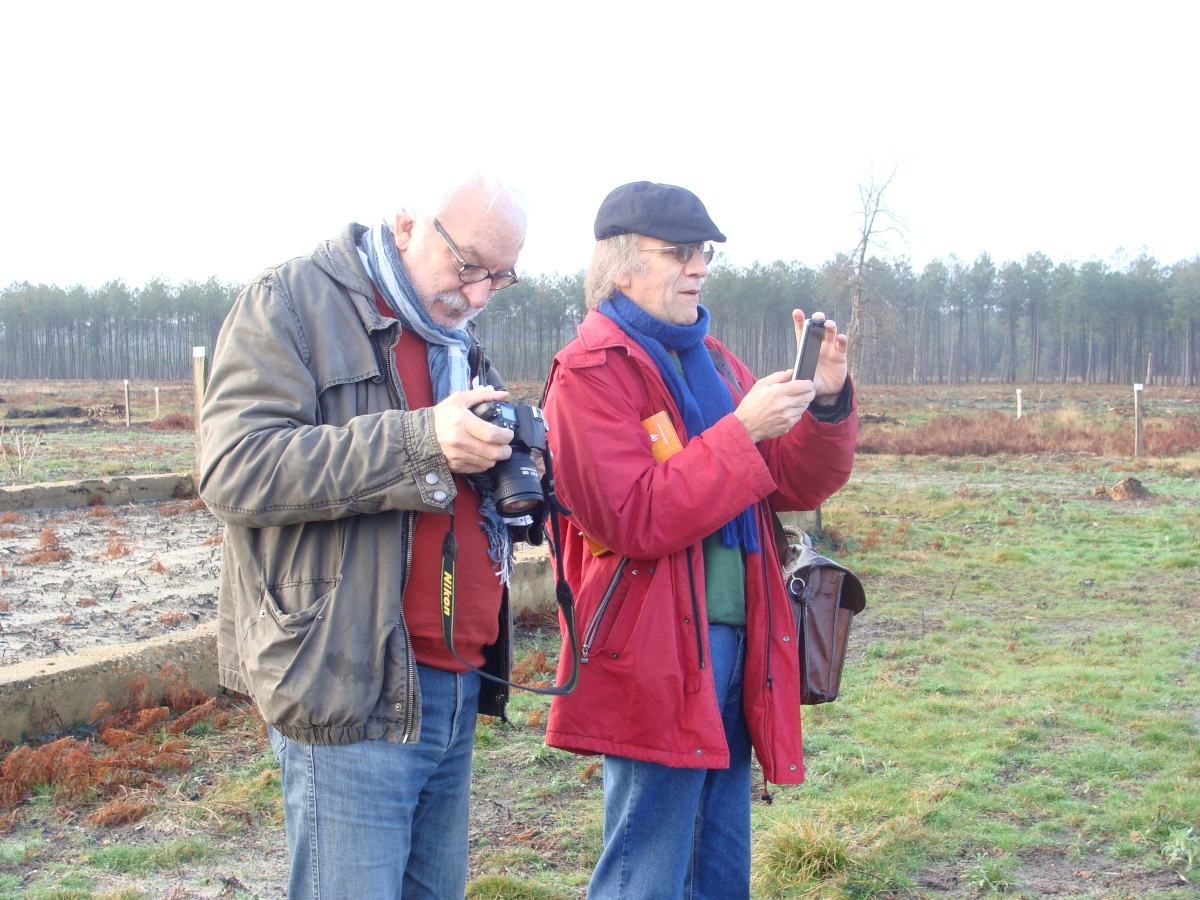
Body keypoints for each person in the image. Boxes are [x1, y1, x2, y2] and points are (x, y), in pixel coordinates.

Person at [198, 173, 528, 899]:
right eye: (468, 265)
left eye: (499, 280)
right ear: (407, 222)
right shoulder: (290, 302)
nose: (476, 296)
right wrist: (420, 442)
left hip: (453, 684)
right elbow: (234, 469)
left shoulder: (455, 342)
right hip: (350, 683)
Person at [542, 181, 858, 899]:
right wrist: (742, 429)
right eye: (680, 252)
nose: (700, 267)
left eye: (704, 253)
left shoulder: (713, 361)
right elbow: (632, 517)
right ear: (624, 266)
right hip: (654, 650)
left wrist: (827, 400)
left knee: (719, 860)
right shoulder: (591, 373)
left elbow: (790, 484)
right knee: (646, 867)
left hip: (740, 640)